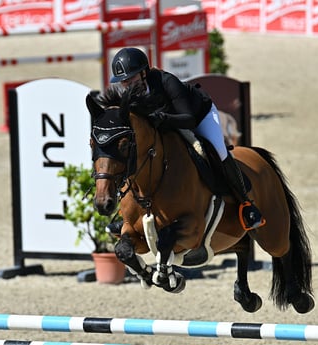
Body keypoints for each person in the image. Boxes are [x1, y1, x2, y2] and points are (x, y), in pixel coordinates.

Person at [110, 47, 264, 231]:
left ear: (144, 73)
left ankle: (246, 204)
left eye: (131, 78)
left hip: (199, 116)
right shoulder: (129, 96)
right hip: (167, 124)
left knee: (218, 151)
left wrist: (162, 118)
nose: (127, 85)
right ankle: (125, 213)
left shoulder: (167, 82)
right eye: (123, 81)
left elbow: (189, 120)